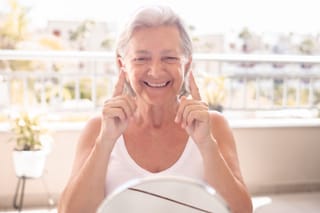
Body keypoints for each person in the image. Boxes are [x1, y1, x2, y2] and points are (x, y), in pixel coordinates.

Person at [58, 5, 253, 213]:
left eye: (169, 58)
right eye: (141, 58)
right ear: (122, 64)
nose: (156, 71)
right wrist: (105, 141)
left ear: (186, 65)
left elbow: (242, 211)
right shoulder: (99, 128)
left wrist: (206, 144)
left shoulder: (214, 126)